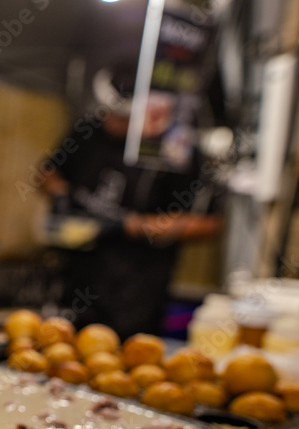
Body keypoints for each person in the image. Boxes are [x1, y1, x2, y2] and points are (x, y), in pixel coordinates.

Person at [41, 66, 220, 339]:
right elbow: (48, 171)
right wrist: (60, 195)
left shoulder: (175, 149)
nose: (112, 121)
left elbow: (206, 224)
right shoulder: (89, 131)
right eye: (108, 112)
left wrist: (132, 226)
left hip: (136, 292)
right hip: (74, 280)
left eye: (125, 117)